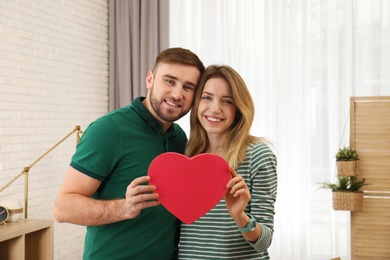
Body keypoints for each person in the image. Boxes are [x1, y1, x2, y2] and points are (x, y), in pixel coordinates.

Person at [53, 47, 205, 260]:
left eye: (188, 87)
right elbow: (63, 208)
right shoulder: (108, 130)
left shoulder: (178, 137)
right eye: (169, 81)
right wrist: (124, 208)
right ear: (150, 79)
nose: (177, 94)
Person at [178, 65, 277, 259]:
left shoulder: (258, 155)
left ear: (238, 109)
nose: (215, 109)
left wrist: (240, 216)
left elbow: (264, 242)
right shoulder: (184, 156)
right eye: (207, 97)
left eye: (227, 101)